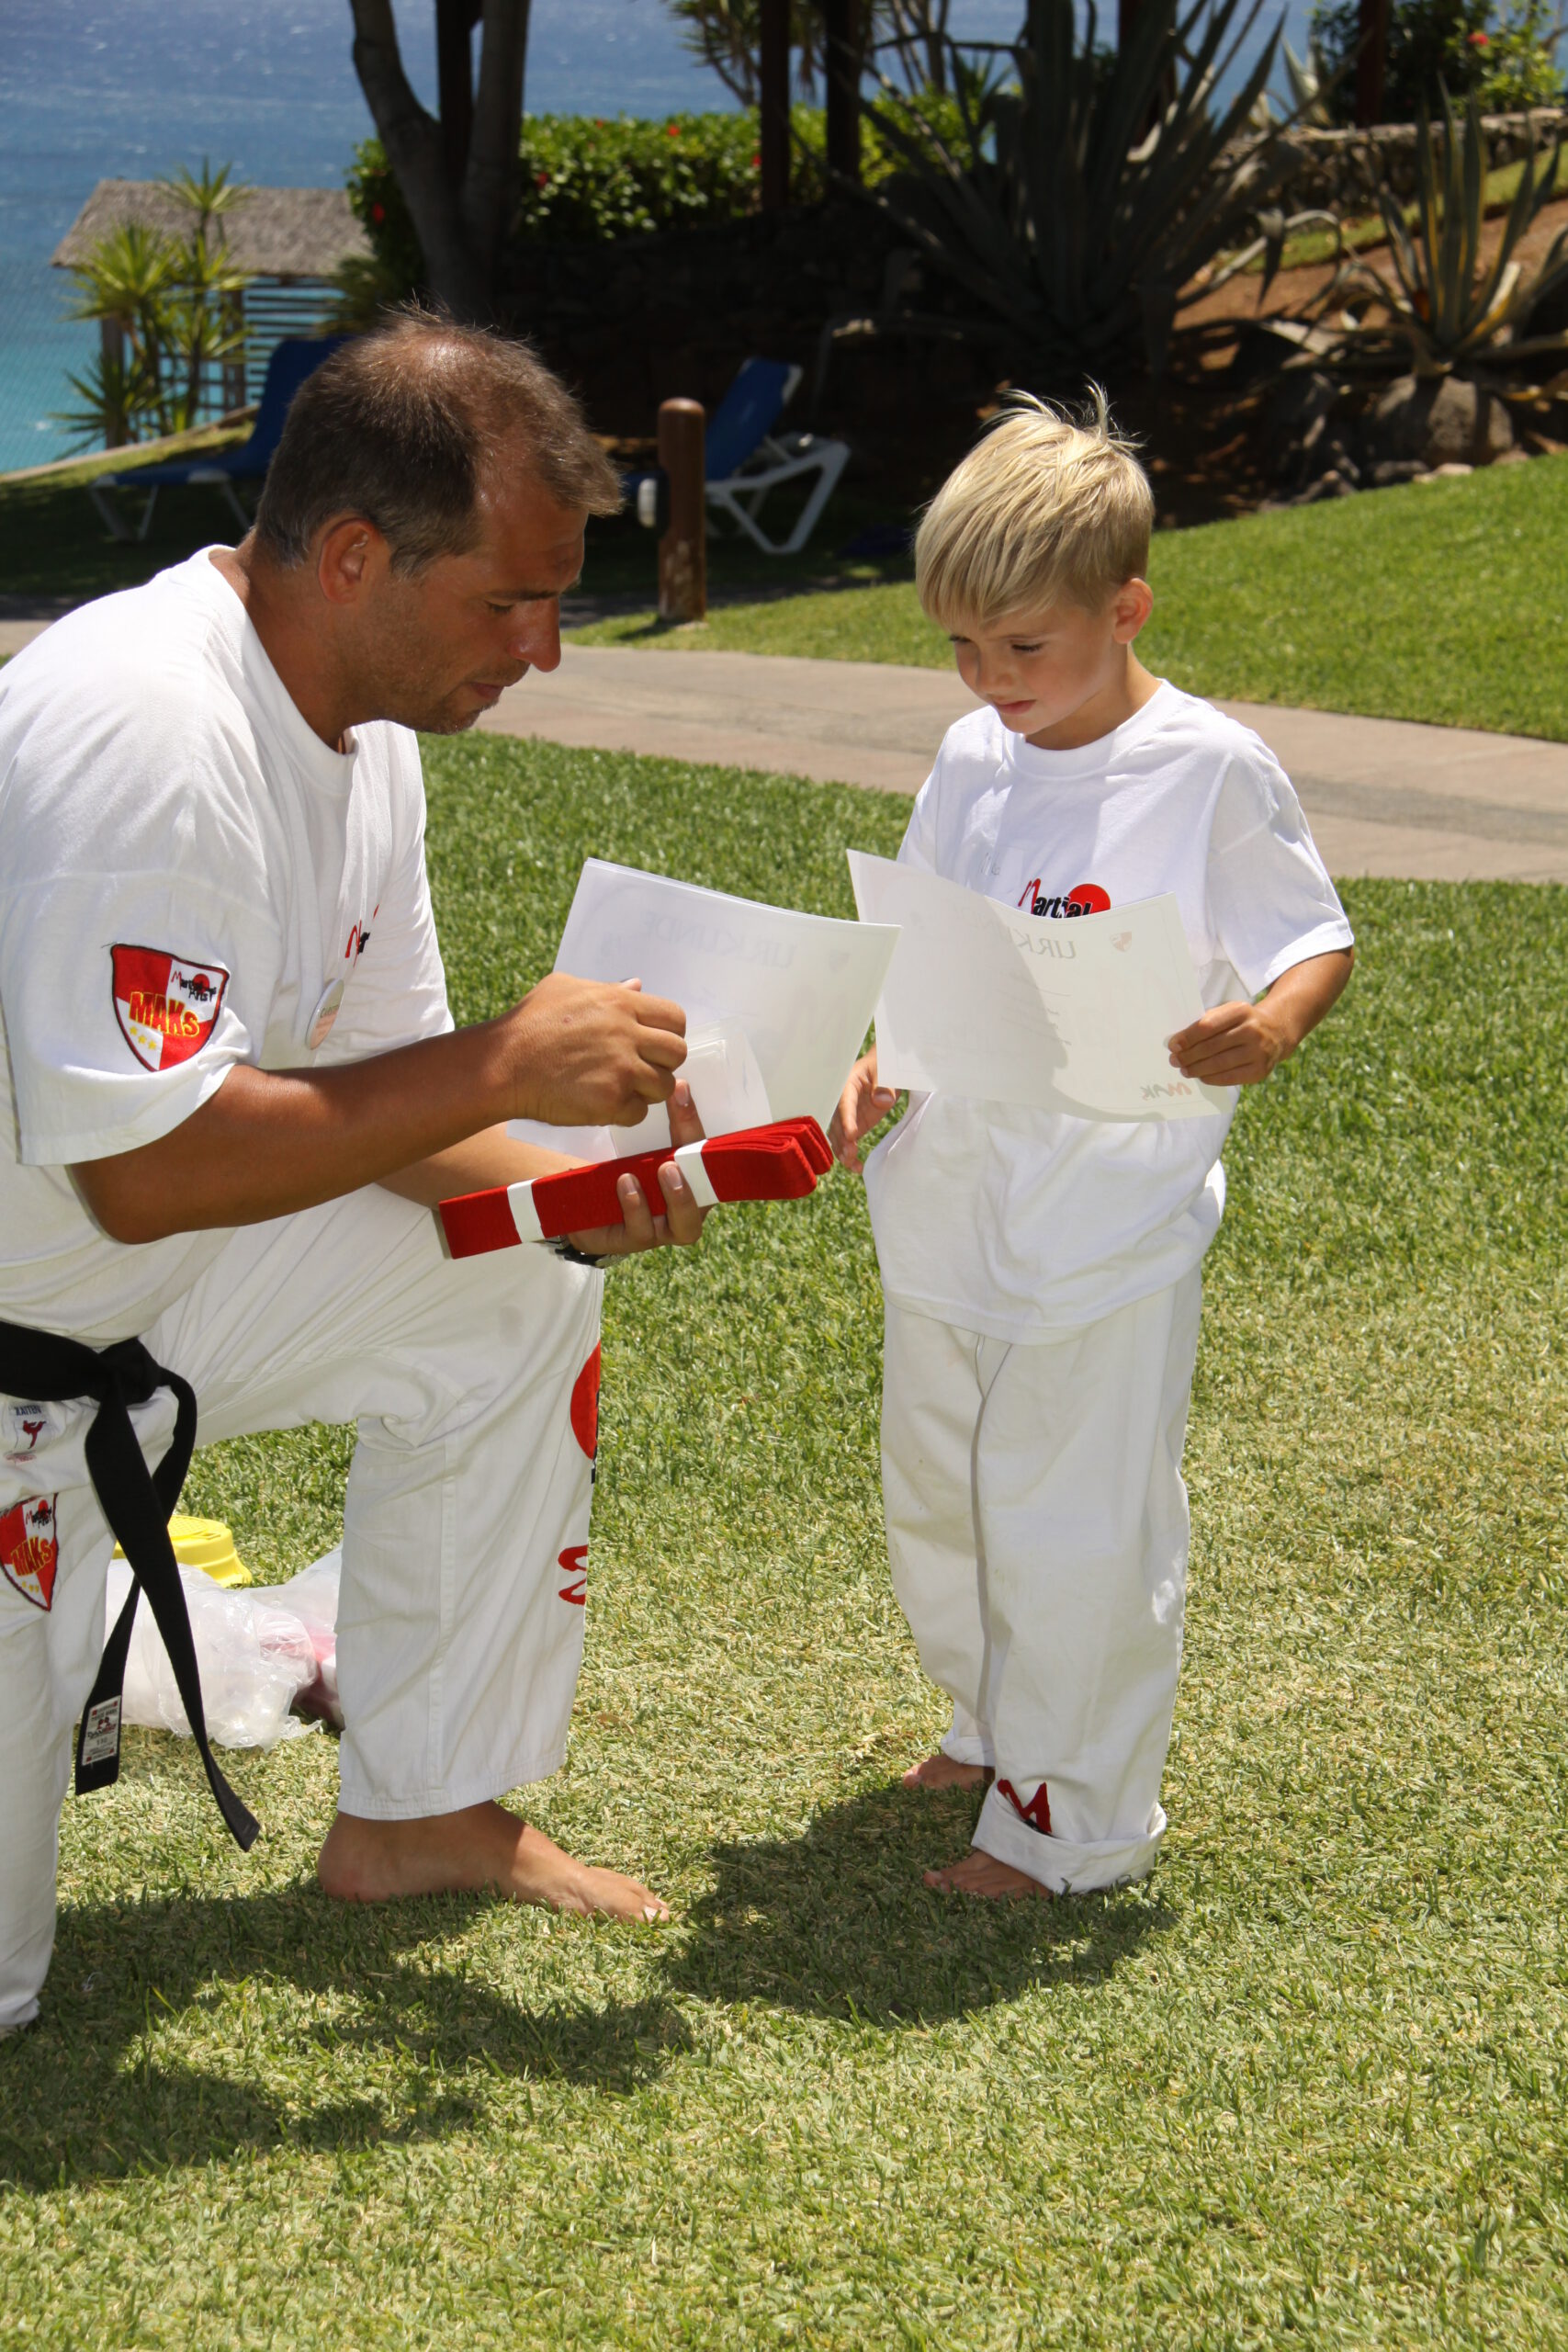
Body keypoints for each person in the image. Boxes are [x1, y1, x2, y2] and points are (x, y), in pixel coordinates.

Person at [0, 315, 707, 2035]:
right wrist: (503, 1067)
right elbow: (150, 1171)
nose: (543, 651)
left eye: (561, 599)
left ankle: (427, 1812)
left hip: (126, 1310)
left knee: (510, 1273)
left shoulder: (357, 720)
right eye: (508, 602)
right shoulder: (147, 734)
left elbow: (367, 1093)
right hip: (50, 1313)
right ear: (352, 554)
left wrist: (560, 1183)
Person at [831, 394, 1354, 1901]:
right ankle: (991, 1717)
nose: (993, 683)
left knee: (1074, 1519)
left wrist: (1269, 1026)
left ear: (1124, 610)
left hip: (1110, 1215)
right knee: (941, 1486)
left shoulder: (1209, 770)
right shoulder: (974, 757)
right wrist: (877, 1063)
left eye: (1026, 650)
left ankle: (1074, 1827)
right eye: (965, 651)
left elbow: (1311, 940)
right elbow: (926, 944)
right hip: (953, 1201)